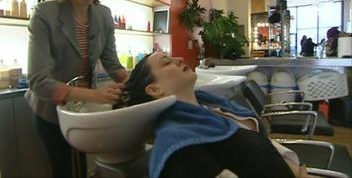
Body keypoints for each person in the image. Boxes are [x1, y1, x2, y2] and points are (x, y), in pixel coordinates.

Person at [116, 52, 315, 178]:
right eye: (166, 62)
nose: (179, 58)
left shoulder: (210, 109)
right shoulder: (179, 144)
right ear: (155, 90)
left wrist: (294, 168)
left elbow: (255, 145)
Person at [25, 0, 128, 177]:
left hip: (81, 110)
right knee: (63, 169)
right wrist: (96, 96)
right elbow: (38, 81)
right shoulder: (44, 15)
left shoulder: (103, 15)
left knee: (79, 166)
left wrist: (139, 80)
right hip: (51, 111)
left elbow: (112, 63)